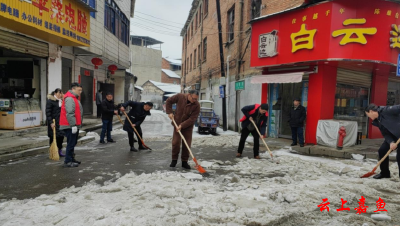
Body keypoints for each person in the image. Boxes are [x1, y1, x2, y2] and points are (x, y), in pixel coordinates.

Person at [166, 90, 200, 169]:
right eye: (193, 98)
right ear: (189, 95)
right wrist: (170, 112)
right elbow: (168, 101)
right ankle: (174, 160)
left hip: (188, 127)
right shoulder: (180, 97)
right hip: (177, 123)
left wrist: (182, 125)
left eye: (196, 99)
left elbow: (192, 118)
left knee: (187, 144)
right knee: (176, 143)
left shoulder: (196, 105)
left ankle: (184, 161)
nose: (194, 100)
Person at [365, 104, 400, 179]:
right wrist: (391, 142)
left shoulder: (387, 110)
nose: (369, 117)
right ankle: (385, 173)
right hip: (393, 136)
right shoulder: (377, 121)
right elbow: (385, 133)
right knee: (382, 151)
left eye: (368, 115)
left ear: (371, 111)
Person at [60, 83, 83, 167]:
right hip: (69, 125)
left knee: (73, 143)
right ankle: (67, 161)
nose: (80, 92)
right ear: (73, 89)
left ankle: (72, 159)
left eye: (81, 90)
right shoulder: (70, 98)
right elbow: (69, 113)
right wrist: (73, 125)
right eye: (79, 90)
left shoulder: (74, 98)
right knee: (70, 143)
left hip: (73, 124)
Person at [46, 88, 65, 157]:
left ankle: (59, 151)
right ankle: (53, 152)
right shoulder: (50, 101)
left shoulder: (62, 101)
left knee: (61, 137)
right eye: (58, 93)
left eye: (61, 93)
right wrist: (51, 122)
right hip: (54, 123)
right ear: (55, 93)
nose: (60, 95)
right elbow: (48, 112)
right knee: (53, 137)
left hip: (61, 122)